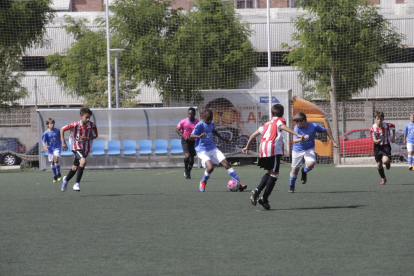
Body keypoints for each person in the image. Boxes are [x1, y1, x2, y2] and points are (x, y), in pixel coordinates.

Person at [242, 104, 305, 210]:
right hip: (272, 149)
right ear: (282, 114)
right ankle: (262, 196)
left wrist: (247, 147)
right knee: (274, 175)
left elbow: (253, 135)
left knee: (270, 172)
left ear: (271, 114)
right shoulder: (280, 120)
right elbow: (282, 127)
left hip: (263, 149)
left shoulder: (266, 123)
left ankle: (261, 195)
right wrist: (297, 135)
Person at [190, 109, 247, 192]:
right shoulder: (200, 125)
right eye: (208, 119)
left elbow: (214, 131)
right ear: (204, 117)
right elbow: (191, 135)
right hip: (202, 150)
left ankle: (238, 183)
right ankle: (203, 181)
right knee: (210, 167)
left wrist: (223, 138)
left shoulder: (212, 123)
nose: (210, 121)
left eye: (211, 118)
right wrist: (199, 136)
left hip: (212, 148)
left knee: (226, 164)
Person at [288, 112, 338, 193]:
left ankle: (304, 171)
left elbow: (326, 130)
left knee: (311, 163)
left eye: (298, 122)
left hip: (309, 149)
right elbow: (294, 140)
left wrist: (333, 141)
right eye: (296, 122)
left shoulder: (313, 126)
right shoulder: (296, 127)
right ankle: (291, 186)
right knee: (294, 170)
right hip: (297, 150)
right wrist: (302, 139)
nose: (297, 124)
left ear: (304, 121)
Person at [60, 107, 98, 192]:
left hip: (86, 148)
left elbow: (95, 135)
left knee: (75, 167)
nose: (88, 119)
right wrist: (63, 142)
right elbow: (62, 129)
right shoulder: (75, 124)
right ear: (81, 116)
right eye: (86, 117)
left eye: (89, 117)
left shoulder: (92, 125)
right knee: (83, 161)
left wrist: (87, 138)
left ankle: (66, 179)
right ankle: (76, 183)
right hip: (76, 146)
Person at [370, 111, 395, 185]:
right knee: (379, 164)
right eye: (378, 119)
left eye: (381, 119)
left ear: (383, 119)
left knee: (384, 161)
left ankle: (388, 162)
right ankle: (383, 178)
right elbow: (373, 139)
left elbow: (393, 127)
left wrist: (393, 137)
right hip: (377, 147)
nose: (379, 121)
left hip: (386, 146)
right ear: (375, 119)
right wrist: (378, 140)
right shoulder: (373, 128)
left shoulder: (387, 125)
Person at [176, 107, 199, 179]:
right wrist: (183, 136)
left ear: (194, 114)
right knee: (187, 156)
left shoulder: (197, 122)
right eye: (189, 114)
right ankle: (186, 169)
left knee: (192, 159)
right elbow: (177, 129)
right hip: (185, 141)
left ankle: (189, 171)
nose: (190, 115)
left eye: (192, 114)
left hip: (194, 141)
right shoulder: (183, 121)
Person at [41, 118, 62, 183]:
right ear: (47, 125)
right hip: (50, 149)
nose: (52, 125)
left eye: (53, 123)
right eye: (50, 123)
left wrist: (63, 143)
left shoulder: (58, 131)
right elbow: (43, 141)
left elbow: (62, 136)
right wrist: (44, 146)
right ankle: (54, 176)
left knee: (56, 159)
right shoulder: (46, 133)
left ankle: (58, 173)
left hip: (57, 148)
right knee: (52, 162)